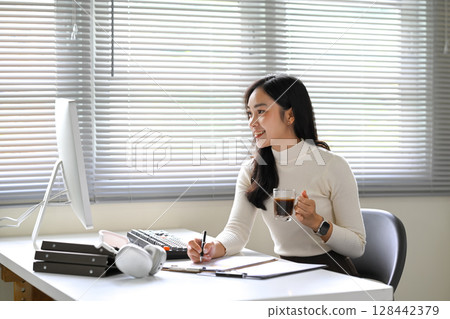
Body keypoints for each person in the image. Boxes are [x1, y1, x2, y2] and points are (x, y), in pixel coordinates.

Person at [187, 74, 365, 275]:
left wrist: (317, 223)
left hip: (333, 273)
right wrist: (213, 248)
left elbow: (357, 246)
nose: (251, 123)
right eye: (249, 114)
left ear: (290, 115)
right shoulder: (252, 170)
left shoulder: (333, 166)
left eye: (261, 112)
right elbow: (237, 231)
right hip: (286, 270)